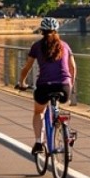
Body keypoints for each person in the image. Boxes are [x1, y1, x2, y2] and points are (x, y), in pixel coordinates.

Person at [16, 17, 77, 156]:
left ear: (42, 31)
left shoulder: (37, 46)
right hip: (64, 87)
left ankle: (38, 142)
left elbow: (27, 67)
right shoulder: (65, 46)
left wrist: (21, 83)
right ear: (56, 31)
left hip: (44, 87)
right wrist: (71, 85)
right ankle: (61, 127)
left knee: (39, 112)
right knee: (58, 105)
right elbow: (73, 67)